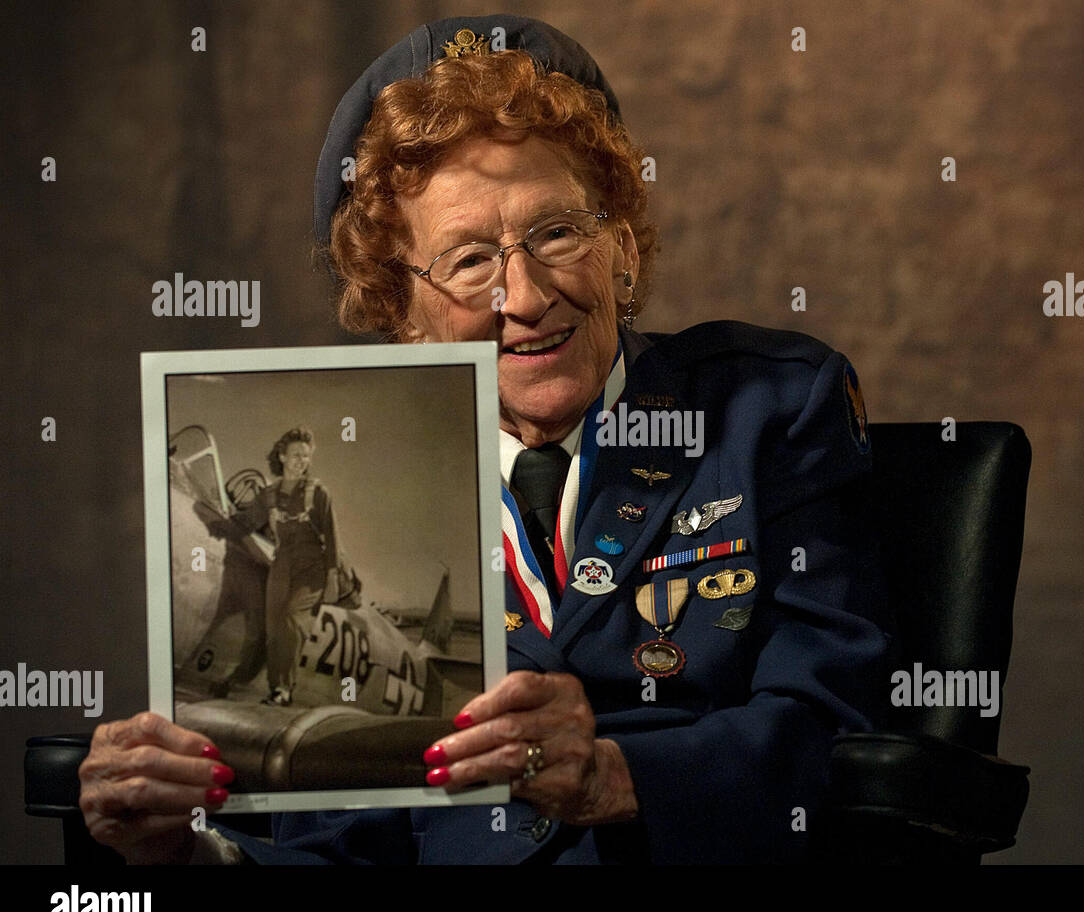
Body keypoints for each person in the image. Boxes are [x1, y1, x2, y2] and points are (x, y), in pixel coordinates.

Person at [78, 15, 893, 864]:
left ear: (618, 245)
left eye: (556, 232)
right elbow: (338, 842)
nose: (526, 294)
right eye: (469, 260)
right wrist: (187, 852)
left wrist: (618, 774)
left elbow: (837, 729)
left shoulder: (771, 409)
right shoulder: (383, 501)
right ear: (404, 312)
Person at [231, 427, 341, 705]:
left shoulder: (318, 493)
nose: (301, 460)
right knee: (273, 627)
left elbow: (332, 535)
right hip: (281, 564)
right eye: (295, 454)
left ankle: (285, 689)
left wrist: (332, 576)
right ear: (282, 456)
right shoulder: (268, 495)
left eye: (306, 455)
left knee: (293, 620)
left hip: (311, 567)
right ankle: (274, 689)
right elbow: (242, 523)